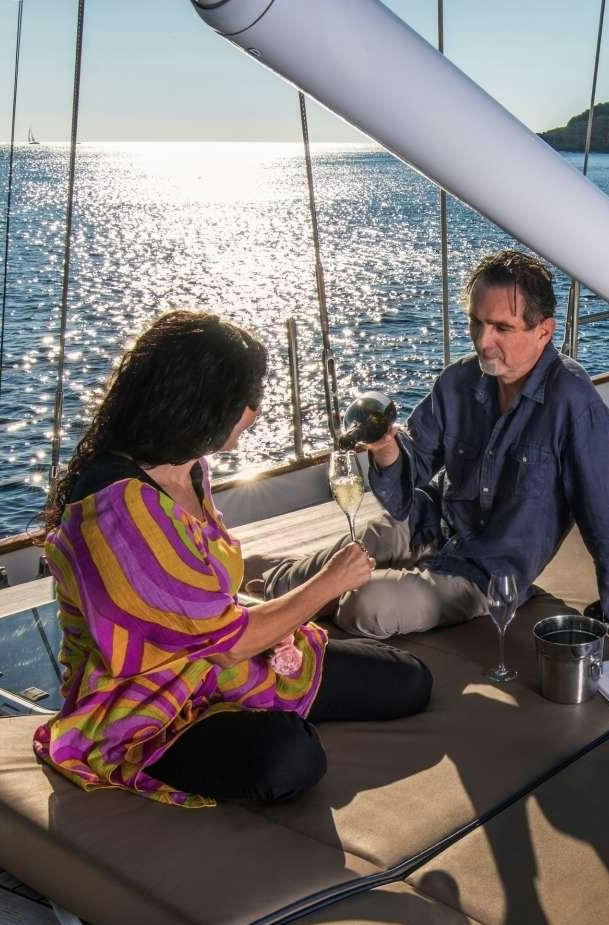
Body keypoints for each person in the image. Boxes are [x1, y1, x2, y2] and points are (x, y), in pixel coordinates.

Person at [36, 310, 431, 808]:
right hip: (146, 708)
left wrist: (277, 634)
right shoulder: (118, 511)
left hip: (223, 669)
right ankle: (241, 727)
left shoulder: (187, 469)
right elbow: (229, 645)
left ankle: (255, 710)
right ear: (202, 401)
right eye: (248, 399)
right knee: (290, 757)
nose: (255, 412)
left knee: (408, 680)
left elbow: (213, 611)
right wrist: (330, 582)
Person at [257, 249, 609, 642]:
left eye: (501, 327)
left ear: (544, 330)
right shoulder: (457, 381)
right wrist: (384, 449)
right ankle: (247, 587)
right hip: (430, 524)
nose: (483, 340)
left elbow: (603, 525)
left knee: (367, 604)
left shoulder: (576, 407)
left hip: (485, 574)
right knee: (358, 545)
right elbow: (410, 475)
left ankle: (289, 603)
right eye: (476, 323)